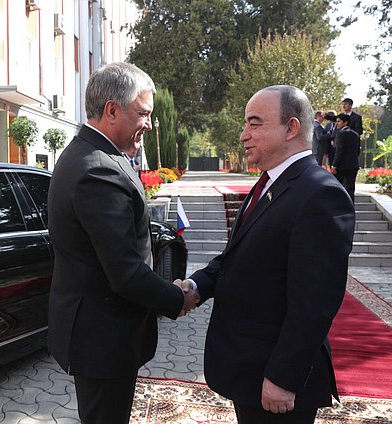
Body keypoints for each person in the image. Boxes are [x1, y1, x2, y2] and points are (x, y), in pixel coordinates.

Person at [185, 85, 355, 424]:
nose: (243, 134)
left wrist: (283, 378)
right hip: (249, 368)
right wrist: (196, 286)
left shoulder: (320, 194)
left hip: (275, 381)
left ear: (291, 128)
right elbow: (236, 257)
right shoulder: (268, 184)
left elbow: (315, 304)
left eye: (255, 123)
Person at [47, 62, 199, 424]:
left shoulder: (100, 154)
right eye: (143, 113)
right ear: (112, 109)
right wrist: (177, 299)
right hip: (103, 338)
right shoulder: (97, 169)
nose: (148, 123)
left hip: (103, 331)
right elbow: (125, 271)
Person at [332, 113, 361, 202]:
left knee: (338, 188)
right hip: (353, 165)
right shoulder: (356, 134)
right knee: (350, 188)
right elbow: (358, 151)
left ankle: (340, 207)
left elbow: (339, 151)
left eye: (339, 121)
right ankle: (351, 208)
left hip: (342, 166)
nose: (337, 123)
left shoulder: (341, 133)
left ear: (346, 122)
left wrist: (334, 165)